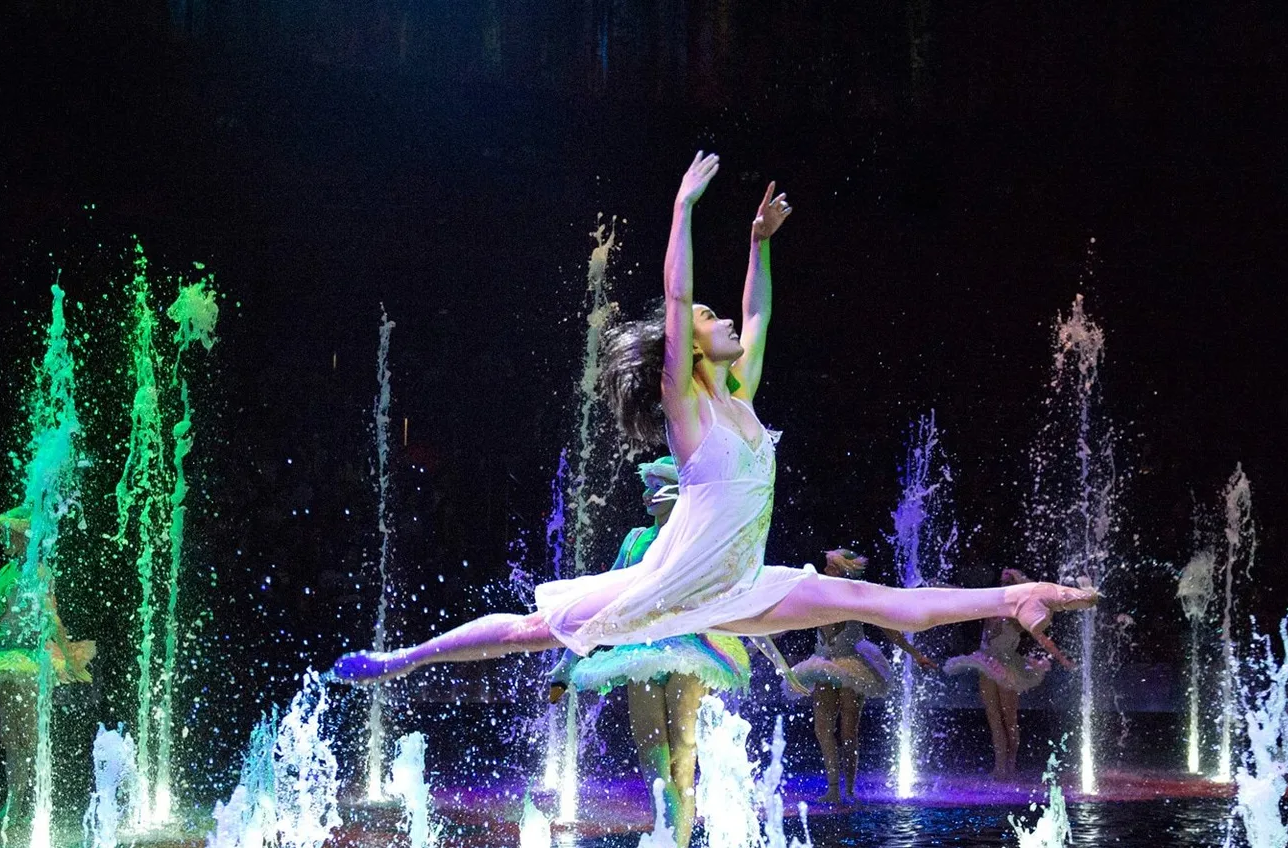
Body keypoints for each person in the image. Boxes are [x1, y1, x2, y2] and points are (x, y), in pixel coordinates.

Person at [333, 153, 1096, 688]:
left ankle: (1015, 599)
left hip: (736, 586)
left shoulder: (739, 403)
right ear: (686, 347)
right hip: (675, 579)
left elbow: (759, 318)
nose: (721, 317)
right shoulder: (688, 411)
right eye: (709, 316)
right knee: (535, 629)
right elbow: (674, 304)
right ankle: (403, 659)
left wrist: (759, 246)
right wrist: (681, 210)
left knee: (881, 604)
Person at [550, 457, 756, 848]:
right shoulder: (635, 541)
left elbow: (730, 595)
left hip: (686, 652)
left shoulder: (699, 541)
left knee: (682, 756)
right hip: (640, 653)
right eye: (645, 486)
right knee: (653, 760)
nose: (646, 495)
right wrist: (567, 662)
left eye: (655, 486)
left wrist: (775, 657)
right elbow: (600, 603)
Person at [0, 507, 96, 824]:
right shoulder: (6, 571)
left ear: (23, 537)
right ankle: (17, 802)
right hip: (4, 657)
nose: (0, 538)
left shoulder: (38, 573)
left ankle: (35, 803)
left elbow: (52, 619)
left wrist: (66, 655)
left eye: (5, 532)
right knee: (12, 736)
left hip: (27, 661)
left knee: (27, 736)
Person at [790, 549, 939, 806]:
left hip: (851, 666)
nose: (825, 571)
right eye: (825, 567)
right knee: (822, 728)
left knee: (849, 731)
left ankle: (848, 788)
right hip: (824, 664)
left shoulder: (855, 599)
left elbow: (888, 628)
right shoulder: (817, 596)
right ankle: (834, 787)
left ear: (840, 572)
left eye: (829, 568)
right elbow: (790, 619)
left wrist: (915, 654)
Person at [943, 568, 1053, 780]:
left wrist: (1061, 658)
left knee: (1008, 718)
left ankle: (1010, 765)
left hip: (1007, 665)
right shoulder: (990, 607)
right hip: (987, 662)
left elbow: (1039, 633)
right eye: (1001, 582)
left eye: (1007, 582)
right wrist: (942, 589)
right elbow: (965, 596)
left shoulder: (1015, 614)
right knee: (994, 717)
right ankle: (999, 765)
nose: (1002, 587)